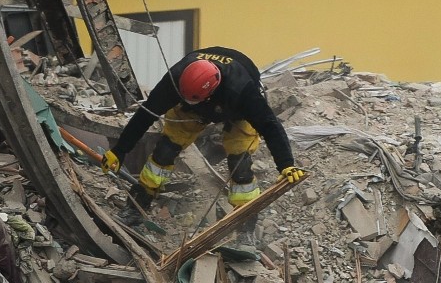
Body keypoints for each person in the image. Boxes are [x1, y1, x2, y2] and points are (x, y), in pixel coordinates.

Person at [101, 46, 304, 237]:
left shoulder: (242, 90)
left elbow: (270, 125)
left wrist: (286, 164)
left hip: (235, 110)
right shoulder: (176, 79)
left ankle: (245, 231)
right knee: (164, 151)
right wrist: (119, 150)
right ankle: (135, 208)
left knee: (240, 165)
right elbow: (146, 114)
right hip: (196, 102)